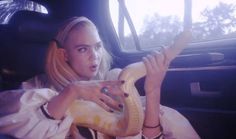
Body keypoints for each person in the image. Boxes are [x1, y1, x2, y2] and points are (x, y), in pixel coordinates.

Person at [0, 16, 200, 139]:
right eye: (82, 49)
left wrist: (153, 91)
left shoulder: (113, 85)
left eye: (97, 46)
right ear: (64, 55)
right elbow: (12, 119)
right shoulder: (35, 88)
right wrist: (73, 91)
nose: (94, 56)